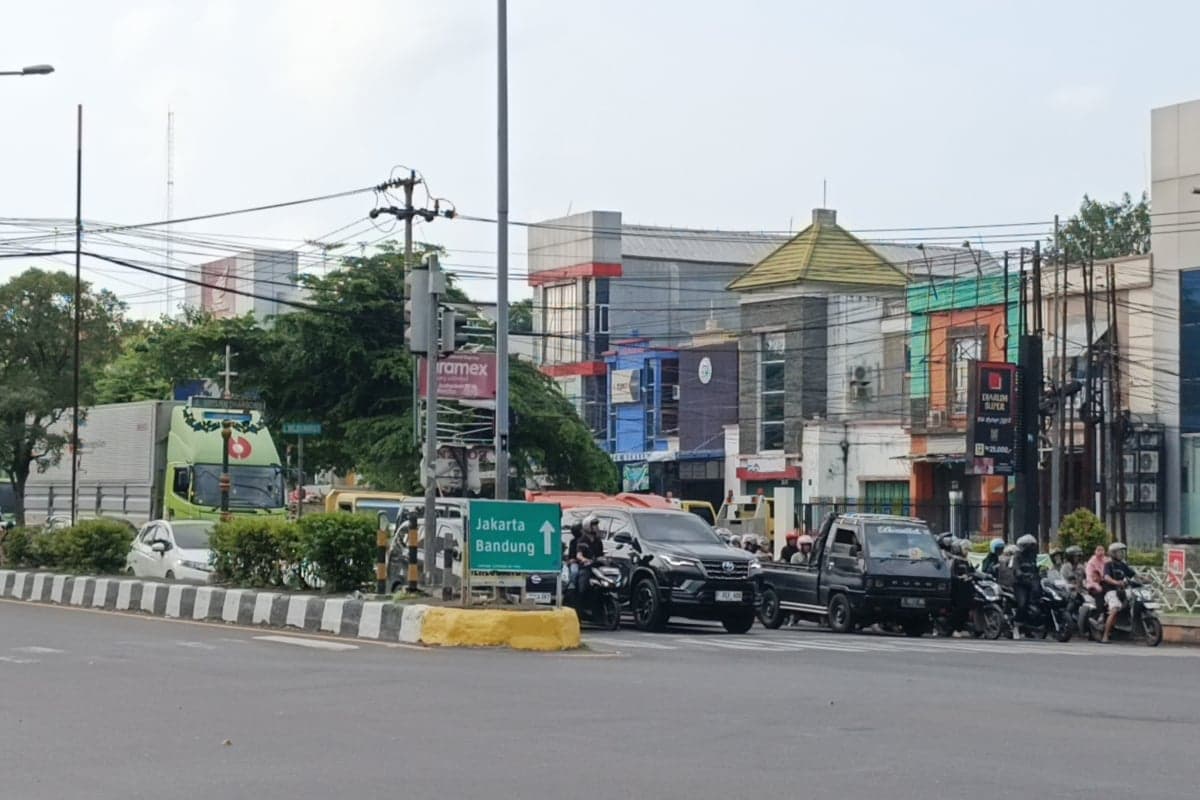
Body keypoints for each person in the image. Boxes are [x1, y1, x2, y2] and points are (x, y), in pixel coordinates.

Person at [1101, 542, 1137, 643]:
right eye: (1119, 552)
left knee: (1134, 601)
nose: (1121, 554)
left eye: (1122, 552)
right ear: (1113, 553)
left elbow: (1133, 575)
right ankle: (1105, 636)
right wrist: (1116, 582)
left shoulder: (1123, 565)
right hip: (1111, 591)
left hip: (1123, 590)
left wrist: (1145, 579)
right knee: (1115, 609)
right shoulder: (1108, 565)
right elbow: (1106, 577)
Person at [1012, 534, 1040, 627]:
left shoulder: (1032, 557)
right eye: (1029, 546)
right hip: (1020, 584)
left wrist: (1042, 572)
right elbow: (1016, 569)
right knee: (1022, 604)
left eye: (1033, 545)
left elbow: (1036, 568)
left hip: (1031, 583)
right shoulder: (1017, 556)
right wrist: (1020, 573)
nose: (1031, 548)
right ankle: (1017, 622)